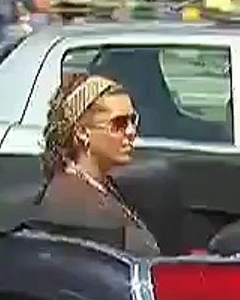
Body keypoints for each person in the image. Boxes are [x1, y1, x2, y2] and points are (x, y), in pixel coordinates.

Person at [38, 73, 160, 256]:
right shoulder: (79, 206)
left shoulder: (100, 185)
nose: (132, 131)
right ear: (82, 133)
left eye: (132, 120)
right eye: (118, 124)